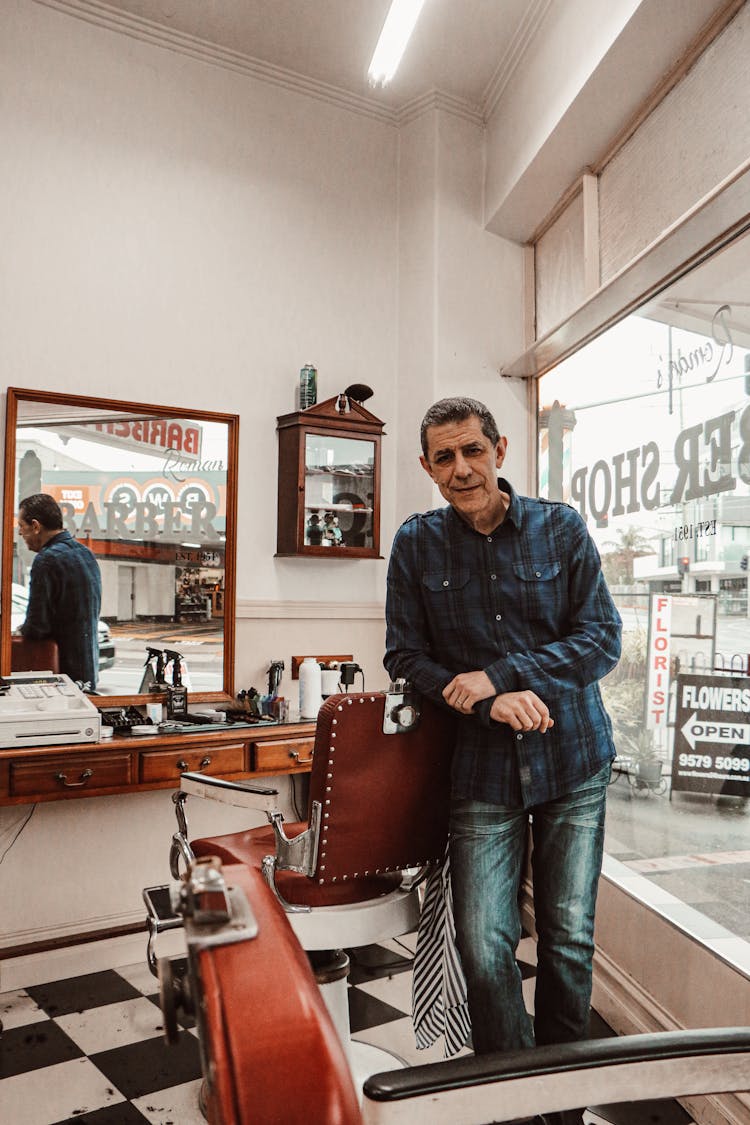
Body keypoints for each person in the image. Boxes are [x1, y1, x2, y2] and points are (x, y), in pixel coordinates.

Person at [384, 397, 621, 1125]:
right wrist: (487, 701)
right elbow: (404, 655)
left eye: (473, 451)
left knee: (569, 941)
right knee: (484, 947)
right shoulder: (416, 544)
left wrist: (508, 673)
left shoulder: (562, 527)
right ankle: (518, 1105)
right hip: (481, 768)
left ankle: (566, 1108)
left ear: (501, 449)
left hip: (573, 761)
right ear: (427, 466)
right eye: (444, 457)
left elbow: (604, 638)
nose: (461, 469)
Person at [16, 493, 102, 689]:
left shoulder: (46, 560)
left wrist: (21, 631)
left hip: (60, 674)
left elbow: (38, 626)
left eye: (22, 527)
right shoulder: (86, 554)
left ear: (36, 526)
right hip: (88, 671)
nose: (20, 534)